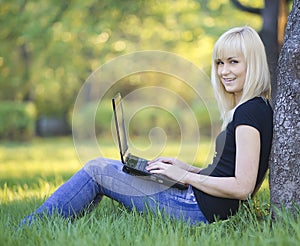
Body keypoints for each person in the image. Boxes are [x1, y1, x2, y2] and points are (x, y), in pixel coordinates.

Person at [20, 26, 273, 225]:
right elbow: (227, 172)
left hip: (197, 210)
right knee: (107, 168)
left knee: (97, 169)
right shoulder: (253, 107)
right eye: (219, 63)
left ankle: (29, 229)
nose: (223, 71)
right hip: (201, 201)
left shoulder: (249, 112)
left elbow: (242, 186)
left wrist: (185, 177)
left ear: (252, 63)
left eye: (233, 62)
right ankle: (60, 222)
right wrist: (185, 168)